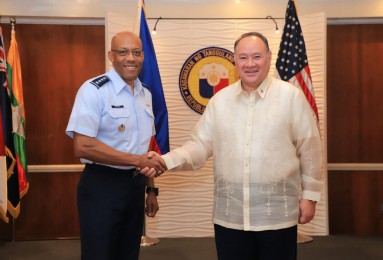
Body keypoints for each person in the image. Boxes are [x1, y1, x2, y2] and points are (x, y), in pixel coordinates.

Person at [145, 32, 323, 260]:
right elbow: (199, 146)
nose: (250, 64)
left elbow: (309, 148)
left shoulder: (292, 97)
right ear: (235, 61)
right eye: (243, 57)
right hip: (230, 217)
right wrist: (165, 161)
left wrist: (309, 197)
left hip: (276, 216)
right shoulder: (220, 101)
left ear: (269, 58)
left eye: (257, 57)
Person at [65, 31, 166, 260]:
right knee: (99, 254)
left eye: (136, 52)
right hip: (102, 186)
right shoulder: (93, 90)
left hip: (134, 187)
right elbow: (83, 146)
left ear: (143, 57)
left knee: (128, 254)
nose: (131, 58)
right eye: (123, 52)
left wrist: (150, 190)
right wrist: (137, 161)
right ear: (112, 56)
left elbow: (145, 149)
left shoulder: (145, 94)